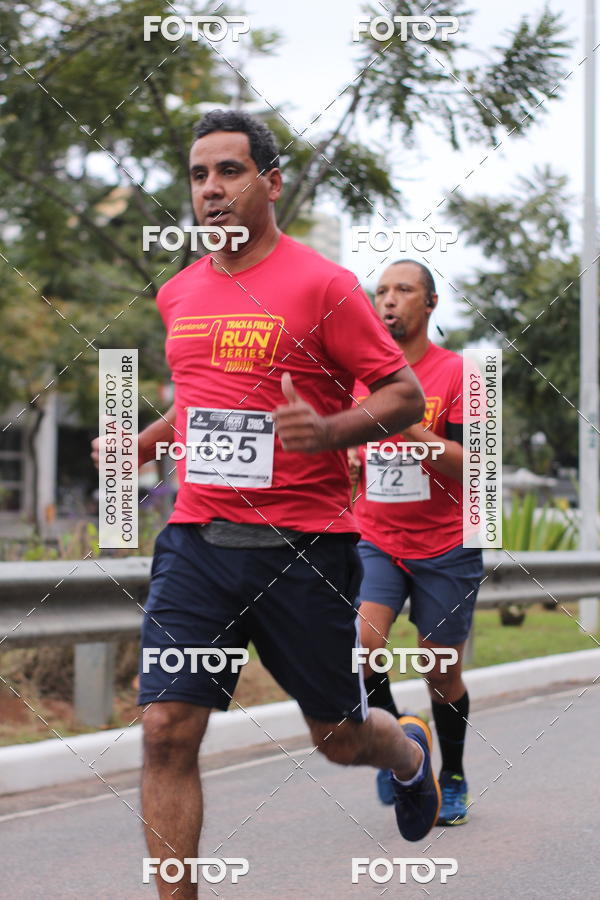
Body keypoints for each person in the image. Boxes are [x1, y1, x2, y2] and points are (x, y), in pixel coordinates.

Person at [93, 111, 441, 898]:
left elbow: (401, 393)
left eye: (230, 172)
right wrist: (142, 446)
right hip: (198, 542)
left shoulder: (323, 285)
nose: (211, 191)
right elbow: (203, 402)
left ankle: (410, 753)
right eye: (198, 176)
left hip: (306, 548)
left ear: (270, 182)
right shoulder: (179, 291)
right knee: (165, 731)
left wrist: (328, 432)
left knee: (342, 741)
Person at [349, 260, 484, 826]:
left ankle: (451, 773)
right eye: (380, 290)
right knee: (361, 647)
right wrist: (349, 459)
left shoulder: (462, 375)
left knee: (439, 669)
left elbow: (475, 467)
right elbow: (341, 455)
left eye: (403, 290)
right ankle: (394, 749)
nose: (388, 300)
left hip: (447, 544)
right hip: (376, 537)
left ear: (429, 304)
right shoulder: (355, 378)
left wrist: (406, 425)